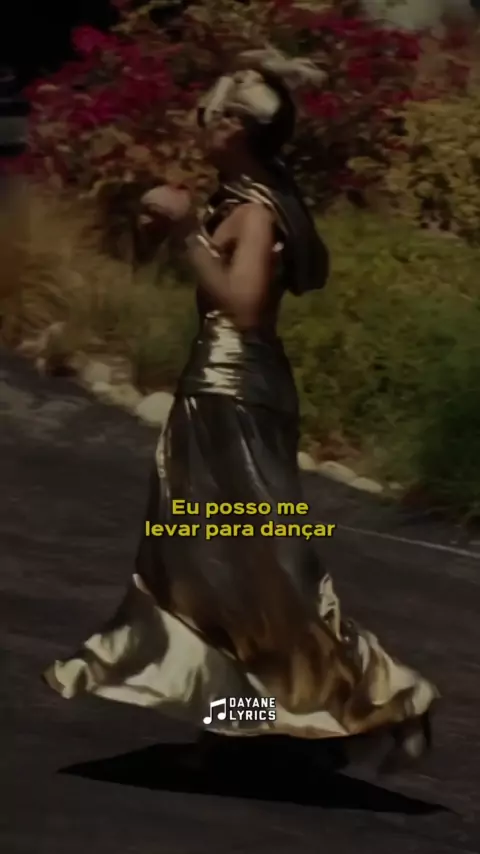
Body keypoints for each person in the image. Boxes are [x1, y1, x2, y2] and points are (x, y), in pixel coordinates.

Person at [44, 62, 438, 773]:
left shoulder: (254, 212)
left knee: (259, 564)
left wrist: (187, 232)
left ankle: (386, 699)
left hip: (233, 396)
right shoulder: (240, 201)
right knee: (214, 567)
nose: (202, 125)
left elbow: (245, 308)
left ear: (236, 127)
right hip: (219, 392)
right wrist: (164, 228)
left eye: (213, 115)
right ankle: (240, 726)